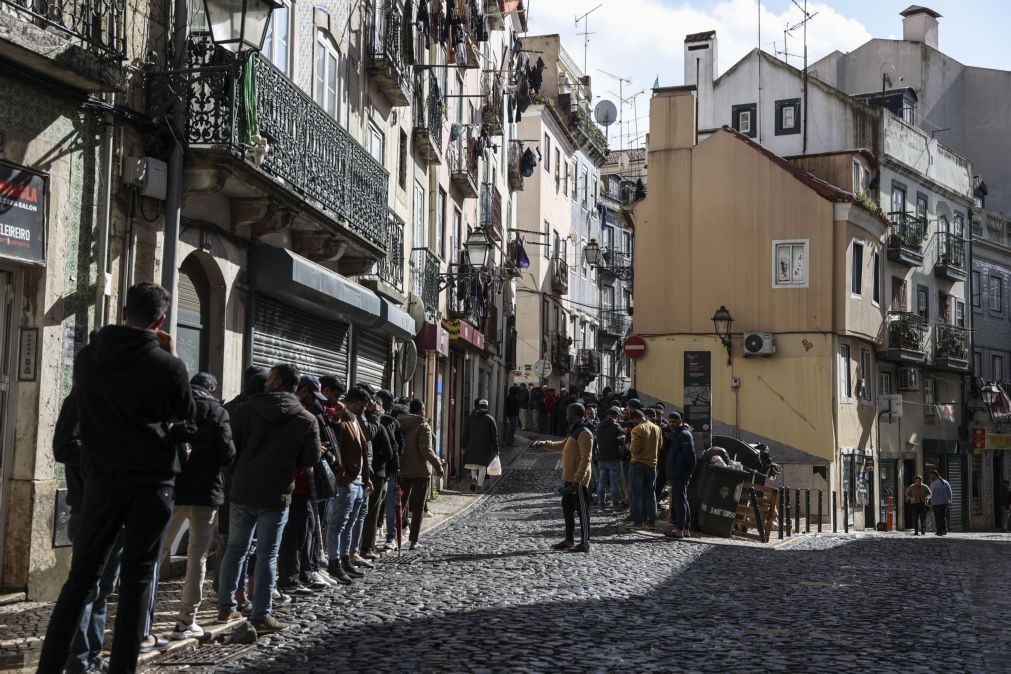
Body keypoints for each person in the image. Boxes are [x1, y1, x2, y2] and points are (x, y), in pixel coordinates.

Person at [39, 283, 195, 674]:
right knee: (137, 581)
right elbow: (186, 416)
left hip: (102, 482)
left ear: (124, 312)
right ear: (159, 320)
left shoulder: (88, 358)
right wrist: (172, 354)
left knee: (80, 581)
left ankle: (49, 668)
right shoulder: (167, 365)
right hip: (151, 483)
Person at [217, 363, 323, 634]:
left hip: (242, 490)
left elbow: (229, 452)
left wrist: (237, 475)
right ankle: (261, 614)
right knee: (267, 555)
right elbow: (311, 458)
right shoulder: (306, 418)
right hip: (276, 494)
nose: (266, 383)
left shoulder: (246, 409)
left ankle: (226, 605)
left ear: (275, 382)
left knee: (236, 549)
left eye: (270, 379)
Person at [160, 373, 236, 640]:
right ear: (212, 389)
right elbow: (227, 454)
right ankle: (185, 620)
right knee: (197, 558)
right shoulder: (217, 411)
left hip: (171, 489)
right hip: (205, 493)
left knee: (157, 550)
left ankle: (137, 618)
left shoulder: (173, 405)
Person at [326, 386, 372, 583]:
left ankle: (345, 559)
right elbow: (336, 449)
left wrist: (367, 478)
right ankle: (334, 562)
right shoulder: (342, 419)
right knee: (338, 523)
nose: (365, 408)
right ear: (354, 402)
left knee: (350, 524)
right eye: (363, 404)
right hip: (347, 481)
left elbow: (363, 451)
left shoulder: (357, 420)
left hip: (360, 481)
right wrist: (342, 475)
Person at [534, 403, 594, 553]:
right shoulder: (574, 430)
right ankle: (569, 540)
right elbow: (562, 445)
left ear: (575, 414)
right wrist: (544, 444)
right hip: (569, 479)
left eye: (568, 413)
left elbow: (586, 459)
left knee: (582, 512)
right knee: (567, 510)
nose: (566, 415)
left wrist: (578, 480)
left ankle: (585, 543)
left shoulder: (584, 433)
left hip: (578, 481)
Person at [399, 399, 445, 549]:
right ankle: (413, 540)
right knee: (418, 506)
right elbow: (426, 450)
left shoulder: (401, 423)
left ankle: (395, 536)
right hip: (420, 472)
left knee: (400, 503)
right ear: (421, 410)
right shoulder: (423, 425)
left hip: (404, 470)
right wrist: (438, 465)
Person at [358, 394, 396, 559]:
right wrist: (381, 463)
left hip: (359, 472)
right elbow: (389, 452)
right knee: (371, 512)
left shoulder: (358, 423)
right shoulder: (379, 426)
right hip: (377, 473)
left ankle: (356, 548)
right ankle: (367, 547)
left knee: (358, 512)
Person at [375, 390, 404, 552]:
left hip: (387, 470)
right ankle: (385, 536)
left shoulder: (391, 422)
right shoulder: (373, 420)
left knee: (389, 504)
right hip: (381, 470)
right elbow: (400, 448)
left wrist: (395, 465)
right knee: (381, 504)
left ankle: (390, 536)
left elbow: (399, 447)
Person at [628, 408, 661, 528]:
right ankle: (652, 521)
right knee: (651, 494)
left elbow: (635, 449)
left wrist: (628, 446)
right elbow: (660, 446)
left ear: (635, 418)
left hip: (638, 464)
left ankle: (638, 521)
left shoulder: (637, 429)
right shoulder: (657, 428)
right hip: (652, 464)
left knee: (637, 494)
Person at [665, 412, 696, 539]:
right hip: (678, 472)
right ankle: (685, 529)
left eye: (674, 421)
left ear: (681, 421)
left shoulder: (683, 435)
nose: (672, 424)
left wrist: (689, 471)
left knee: (680, 501)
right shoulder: (678, 434)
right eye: (670, 421)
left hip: (680, 473)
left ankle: (680, 529)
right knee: (683, 500)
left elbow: (690, 456)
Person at [462, 399, 499, 493]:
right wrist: (496, 449)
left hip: (471, 446)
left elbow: (465, 433)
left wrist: (463, 446)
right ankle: (479, 486)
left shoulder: (470, 418)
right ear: (486, 407)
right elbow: (494, 436)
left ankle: (474, 478)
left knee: (473, 465)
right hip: (485, 448)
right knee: (482, 468)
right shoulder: (490, 419)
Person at [595, 407, 626, 510]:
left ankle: (600, 504)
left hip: (602, 457)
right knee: (614, 483)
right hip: (613, 457)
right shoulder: (616, 426)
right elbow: (621, 440)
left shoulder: (599, 426)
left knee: (601, 482)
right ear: (616, 416)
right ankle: (616, 505)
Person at [929, 470, 952, 536]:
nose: (930, 477)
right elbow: (950, 492)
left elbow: (931, 494)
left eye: (931, 475)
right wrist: (950, 501)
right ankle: (944, 530)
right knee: (943, 517)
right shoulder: (946, 482)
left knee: (938, 518)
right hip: (945, 503)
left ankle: (939, 531)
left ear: (935, 475)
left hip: (936, 503)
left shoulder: (933, 483)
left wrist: (929, 503)